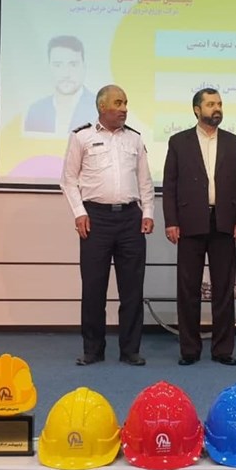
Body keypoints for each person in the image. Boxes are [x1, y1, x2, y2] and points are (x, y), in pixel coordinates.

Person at [60, 84, 154, 366]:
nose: (124, 108)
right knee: (93, 288)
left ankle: (130, 350)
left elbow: (145, 181)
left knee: (132, 290)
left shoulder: (135, 139)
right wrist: (79, 212)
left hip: (130, 219)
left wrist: (148, 212)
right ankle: (93, 350)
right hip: (95, 219)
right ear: (102, 107)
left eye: (125, 103)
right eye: (118, 103)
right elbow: (68, 180)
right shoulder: (82, 137)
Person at [162, 88, 236, 366]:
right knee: (188, 288)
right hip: (190, 222)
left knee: (223, 288)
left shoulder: (234, 142)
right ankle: (189, 349)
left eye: (219, 103)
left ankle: (223, 350)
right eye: (211, 104)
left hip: (224, 221)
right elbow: (170, 185)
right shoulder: (179, 141)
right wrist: (171, 221)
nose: (217, 108)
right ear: (197, 110)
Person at [24, 35, 97, 135]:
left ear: (84, 67)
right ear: (48, 69)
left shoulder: (99, 110)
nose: (65, 74)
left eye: (73, 65)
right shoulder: (36, 111)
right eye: (57, 65)